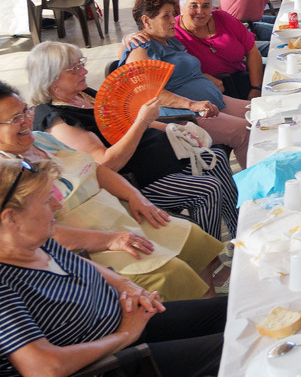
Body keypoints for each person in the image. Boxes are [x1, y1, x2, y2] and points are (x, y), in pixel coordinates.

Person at [0, 154, 228, 377]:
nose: (58, 205)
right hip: (108, 363)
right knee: (235, 348)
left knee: (236, 310)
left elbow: (77, 261)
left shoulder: (36, 242)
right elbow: (45, 368)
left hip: (128, 326)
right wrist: (124, 335)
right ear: (10, 218)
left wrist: (125, 284)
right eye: (46, 199)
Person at [0, 83, 227, 303]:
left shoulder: (42, 139)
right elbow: (41, 236)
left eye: (25, 111)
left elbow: (98, 170)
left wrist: (135, 197)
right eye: (15, 119)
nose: (27, 121)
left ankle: (209, 307)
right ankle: (189, 327)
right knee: (167, 272)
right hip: (87, 242)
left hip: (119, 213)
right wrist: (109, 240)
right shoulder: (6, 175)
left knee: (193, 237)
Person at [27, 43, 237, 241]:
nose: (84, 71)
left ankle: (238, 233)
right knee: (207, 189)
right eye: (74, 68)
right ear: (52, 79)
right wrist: (143, 119)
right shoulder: (57, 120)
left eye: (81, 64)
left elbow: (126, 121)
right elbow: (106, 164)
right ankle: (209, 255)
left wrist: (175, 129)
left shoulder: (85, 95)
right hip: (135, 180)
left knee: (216, 157)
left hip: (157, 160)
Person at [121, 0, 250, 167]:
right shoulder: (140, 50)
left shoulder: (169, 40)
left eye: (172, 15)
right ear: (146, 21)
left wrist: (205, 81)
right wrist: (191, 104)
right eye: (166, 16)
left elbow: (182, 70)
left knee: (263, 113)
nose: (173, 20)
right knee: (245, 132)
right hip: (184, 114)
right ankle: (253, 189)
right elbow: (148, 93)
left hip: (210, 103)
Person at [173, 0, 263, 100]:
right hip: (209, 90)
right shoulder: (173, 32)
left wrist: (256, 88)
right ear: (181, 7)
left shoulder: (223, 18)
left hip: (243, 77)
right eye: (193, 6)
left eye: (206, 6)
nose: (200, 11)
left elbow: (252, 51)